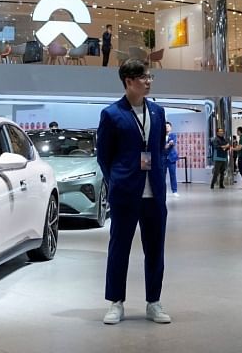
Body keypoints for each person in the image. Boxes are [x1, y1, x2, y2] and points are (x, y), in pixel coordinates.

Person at [96, 60, 171, 325]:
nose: (148, 81)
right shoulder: (112, 114)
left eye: (150, 76)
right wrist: (117, 180)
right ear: (128, 81)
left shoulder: (158, 112)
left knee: (155, 249)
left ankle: (154, 302)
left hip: (155, 193)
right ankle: (116, 302)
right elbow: (104, 156)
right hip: (126, 192)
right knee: (119, 248)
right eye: (143, 77)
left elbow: (159, 148)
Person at [164, 121, 179, 196]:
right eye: (165, 126)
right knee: (162, 176)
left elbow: (172, 143)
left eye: (168, 126)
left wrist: (169, 144)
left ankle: (174, 191)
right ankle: (163, 191)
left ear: (171, 127)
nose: (167, 128)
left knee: (173, 175)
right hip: (163, 158)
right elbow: (163, 146)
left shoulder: (173, 135)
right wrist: (167, 145)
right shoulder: (161, 136)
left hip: (171, 158)